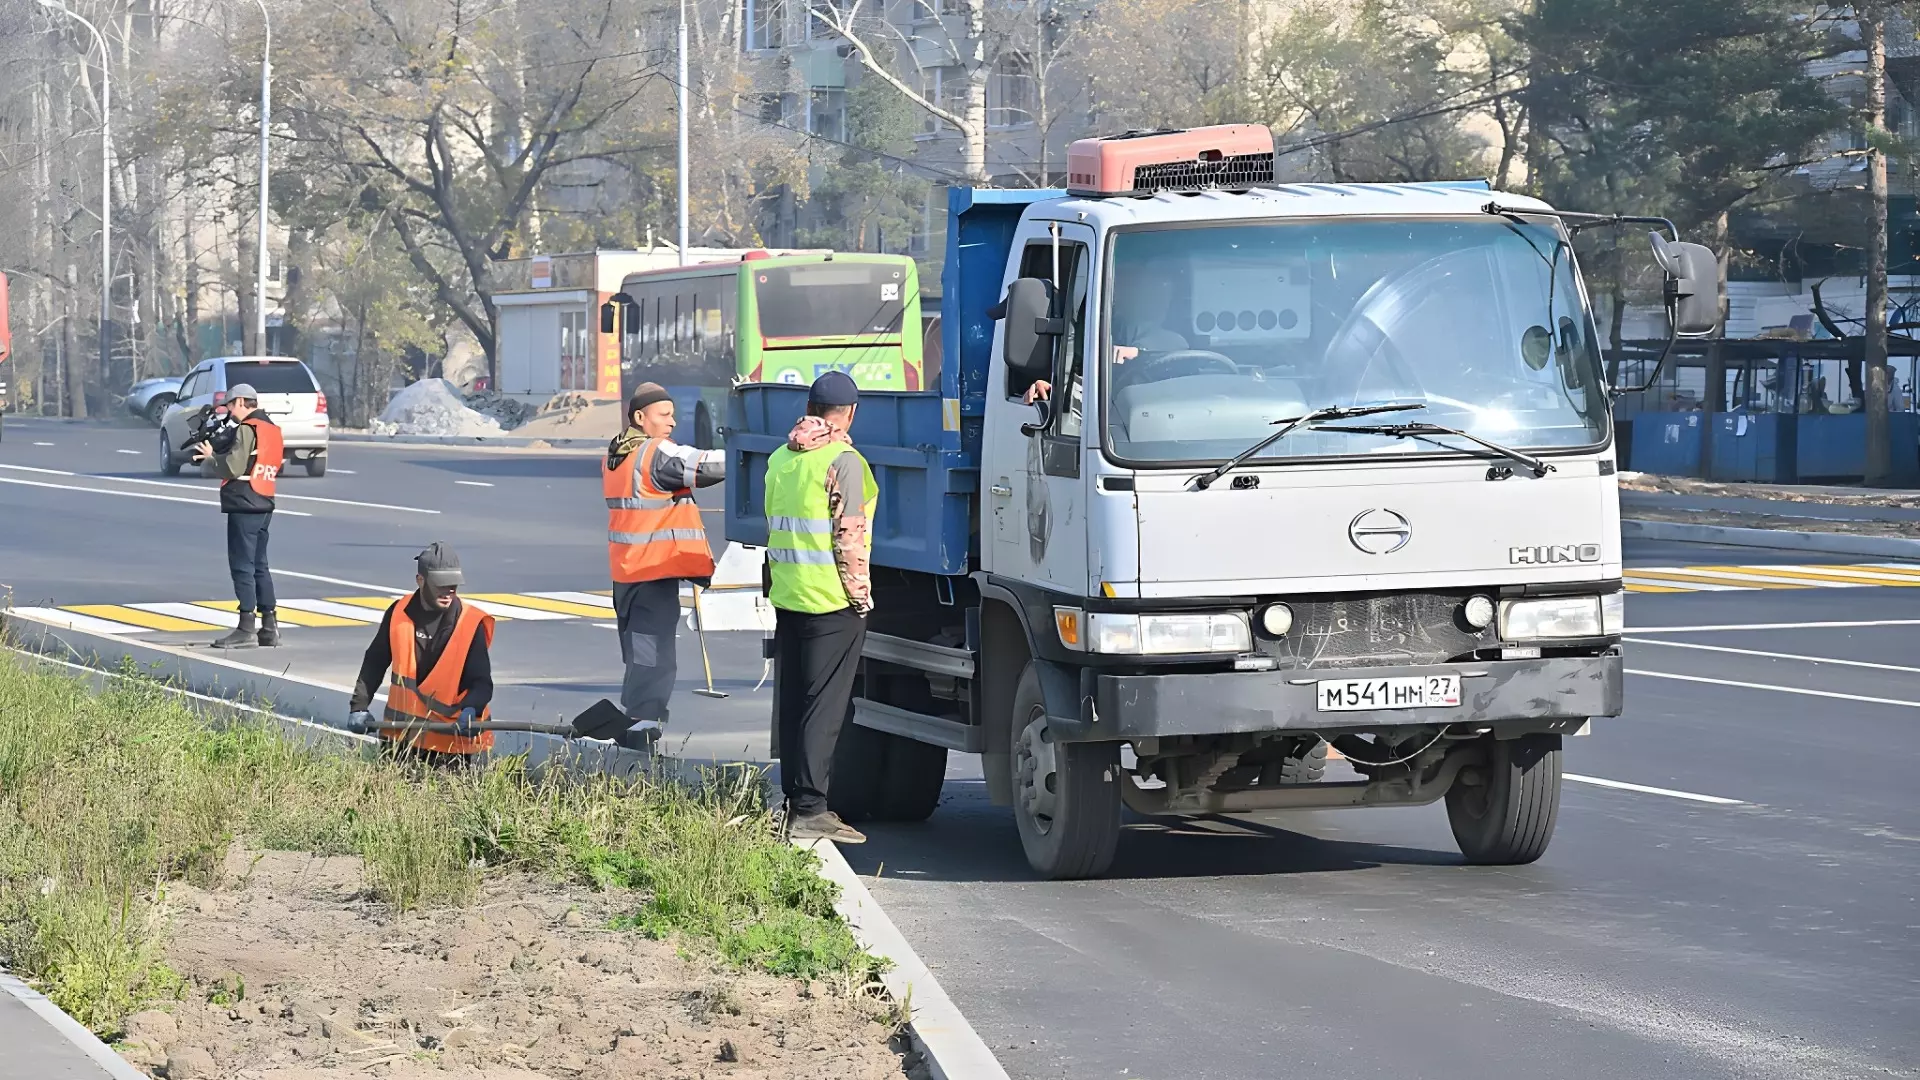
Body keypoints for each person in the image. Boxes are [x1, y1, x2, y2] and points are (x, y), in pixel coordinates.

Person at [766, 371, 878, 844]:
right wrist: (860, 597)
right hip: (832, 600)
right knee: (824, 706)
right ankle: (811, 808)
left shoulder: (780, 458)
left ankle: (794, 801)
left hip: (790, 596)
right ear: (850, 413)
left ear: (811, 408)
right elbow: (848, 536)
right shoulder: (843, 460)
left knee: (794, 702)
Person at [604, 382, 724, 751]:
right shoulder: (653, 453)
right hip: (652, 575)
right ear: (640, 417)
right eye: (664, 415)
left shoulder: (618, 453)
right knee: (653, 654)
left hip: (627, 574)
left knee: (639, 652)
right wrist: (744, 449)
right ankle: (642, 728)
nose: (673, 421)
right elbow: (706, 467)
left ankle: (634, 721)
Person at [348, 543, 496, 763]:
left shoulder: (469, 623)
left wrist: (472, 709)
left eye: (453, 585)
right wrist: (359, 706)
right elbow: (375, 661)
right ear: (421, 580)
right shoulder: (399, 613)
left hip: (450, 745)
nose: (449, 592)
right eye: (441, 586)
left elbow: (481, 682)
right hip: (400, 740)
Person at [190, 383, 283, 649]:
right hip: (264, 499)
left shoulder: (247, 428)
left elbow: (233, 466)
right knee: (259, 565)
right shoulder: (272, 429)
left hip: (243, 500)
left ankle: (245, 628)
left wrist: (210, 457)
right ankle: (269, 627)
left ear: (241, 402)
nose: (230, 412)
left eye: (231, 406)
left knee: (242, 566)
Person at [1022, 260, 1188, 407]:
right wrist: (1051, 389)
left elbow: (1177, 348)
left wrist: (1138, 352)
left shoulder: (1165, 339)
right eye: (1123, 282)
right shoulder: (1088, 328)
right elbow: (1078, 380)